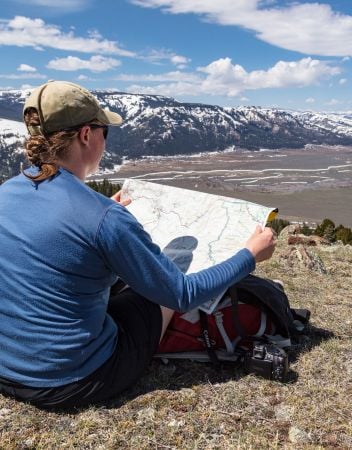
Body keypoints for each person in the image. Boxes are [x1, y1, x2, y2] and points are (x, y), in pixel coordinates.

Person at [0, 81, 276, 410]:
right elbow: (181, 294)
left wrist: (100, 212)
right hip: (71, 380)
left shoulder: (8, 191)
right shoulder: (103, 219)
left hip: (7, 369)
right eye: (105, 132)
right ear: (87, 135)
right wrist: (249, 255)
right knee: (153, 295)